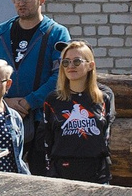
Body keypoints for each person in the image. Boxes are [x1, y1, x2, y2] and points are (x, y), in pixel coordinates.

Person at [0, 0, 69, 117]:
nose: (21, 3)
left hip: (43, 117)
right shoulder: (0, 32)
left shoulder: (56, 33)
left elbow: (61, 76)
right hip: (3, 116)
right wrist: (5, 102)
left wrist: (29, 102)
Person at [28, 42, 115, 182]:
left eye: (77, 61)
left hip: (97, 172)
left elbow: (106, 134)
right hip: (62, 172)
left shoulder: (103, 97)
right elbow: (46, 139)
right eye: (66, 62)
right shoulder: (53, 99)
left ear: (90, 65)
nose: (71, 66)